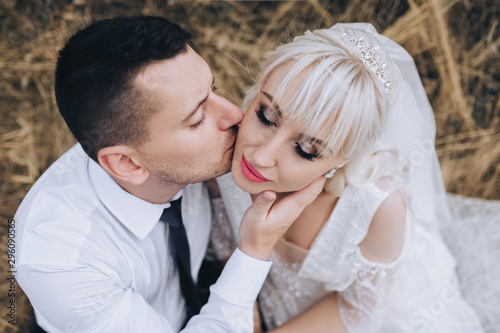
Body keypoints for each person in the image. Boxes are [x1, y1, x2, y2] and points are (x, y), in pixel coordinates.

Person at [13, 16, 325, 333]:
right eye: (197, 118)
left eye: (213, 89)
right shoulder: (63, 265)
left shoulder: (183, 153)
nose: (234, 115)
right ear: (128, 164)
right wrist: (254, 251)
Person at [214, 23, 489, 332]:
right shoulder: (224, 150)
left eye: (306, 149)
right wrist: (243, 310)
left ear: (344, 159)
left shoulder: (377, 208)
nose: (260, 156)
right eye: (266, 116)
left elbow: (357, 311)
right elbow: (228, 249)